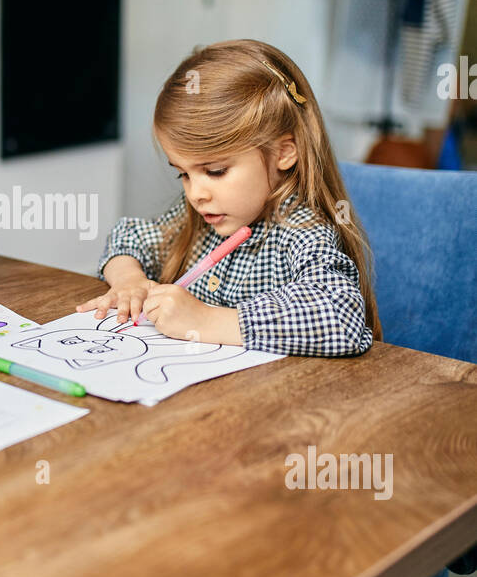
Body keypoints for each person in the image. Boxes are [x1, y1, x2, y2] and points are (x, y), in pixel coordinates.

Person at [79, 39, 381, 356]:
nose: (196, 194)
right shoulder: (199, 217)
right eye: (183, 173)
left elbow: (340, 318)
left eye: (216, 171)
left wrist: (205, 320)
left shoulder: (301, 231)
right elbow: (130, 236)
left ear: (284, 152)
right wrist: (129, 280)